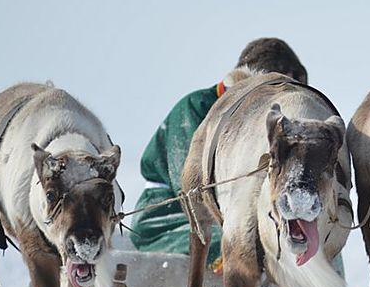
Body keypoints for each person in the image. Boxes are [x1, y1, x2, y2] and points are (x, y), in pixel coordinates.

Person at [130, 38, 309, 269]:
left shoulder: (272, 120)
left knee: (315, 238)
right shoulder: (196, 107)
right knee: (235, 239)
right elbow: (188, 187)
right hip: (171, 215)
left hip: (237, 212)